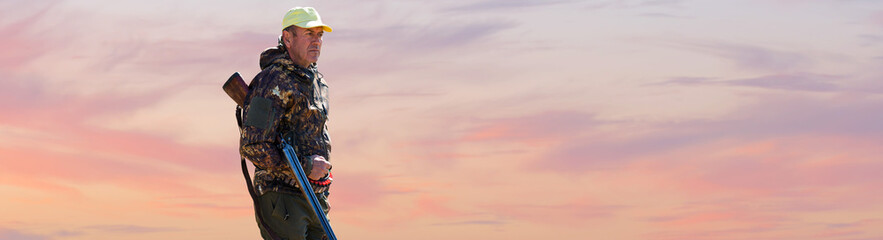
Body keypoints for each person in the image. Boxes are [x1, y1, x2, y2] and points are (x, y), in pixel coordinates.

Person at [239, 6, 334, 240]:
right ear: (288, 38)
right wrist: (305, 166)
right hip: (282, 198)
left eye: (319, 35)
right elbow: (253, 145)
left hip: (315, 197)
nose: (316, 41)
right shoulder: (272, 79)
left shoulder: (317, 82)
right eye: (309, 34)